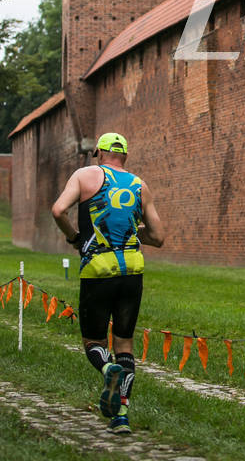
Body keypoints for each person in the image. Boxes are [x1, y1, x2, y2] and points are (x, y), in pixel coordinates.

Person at [51, 132, 164, 435]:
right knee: (124, 342)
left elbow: (58, 210)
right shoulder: (140, 186)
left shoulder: (86, 174)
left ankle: (107, 369)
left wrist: (75, 238)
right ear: (125, 155)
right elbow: (158, 237)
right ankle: (121, 416)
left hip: (98, 270)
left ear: (99, 152)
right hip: (132, 272)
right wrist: (132, 234)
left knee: (94, 342)